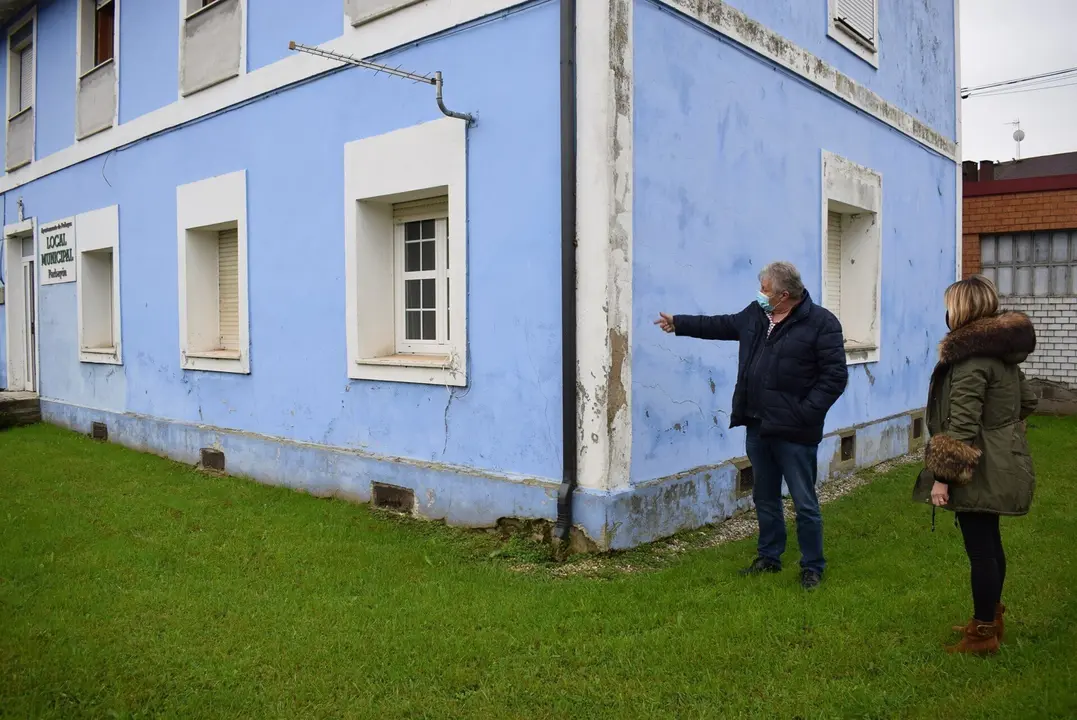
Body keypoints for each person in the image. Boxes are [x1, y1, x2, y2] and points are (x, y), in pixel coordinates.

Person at [655, 261, 848, 589]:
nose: (760, 294)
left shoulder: (822, 323)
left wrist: (804, 413)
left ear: (783, 295)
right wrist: (679, 323)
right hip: (757, 425)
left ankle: (812, 566)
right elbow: (722, 324)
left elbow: (834, 377)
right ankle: (769, 557)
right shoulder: (757, 314)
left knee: (804, 502)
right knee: (765, 496)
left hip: (796, 432)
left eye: (765, 289)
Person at [915, 276, 1037, 655]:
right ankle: (990, 618)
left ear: (962, 309)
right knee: (990, 543)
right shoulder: (1001, 352)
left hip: (979, 466)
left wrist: (941, 478)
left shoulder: (971, 360)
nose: (946, 313)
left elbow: (962, 426)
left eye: (950, 306)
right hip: (1002, 460)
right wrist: (1002, 429)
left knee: (981, 550)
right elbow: (1028, 401)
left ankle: (982, 634)